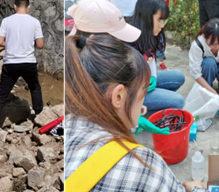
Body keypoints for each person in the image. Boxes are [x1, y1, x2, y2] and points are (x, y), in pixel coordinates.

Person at [64, 34, 206, 192]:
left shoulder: (66, 123)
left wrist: (128, 118)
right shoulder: (143, 166)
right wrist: (196, 188)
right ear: (118, 96)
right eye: (142, 92)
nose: (143, 104)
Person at [0, 0, 44, 138]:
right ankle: (41, 117)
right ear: (28, 7)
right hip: (28, 62)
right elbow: (40, 45)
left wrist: (11, 44)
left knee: (0, 96)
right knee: (35, 87)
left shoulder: (7, 21)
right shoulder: (34, 22)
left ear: (14, 6)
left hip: (11, 63)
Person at [129, 0, 185, 113]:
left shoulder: (151, 34)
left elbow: (151, 57)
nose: (162, 26)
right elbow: (126, 81)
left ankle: (157, 101)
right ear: (146, 17)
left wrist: (153, 75)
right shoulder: (129, 40)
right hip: (133, 91)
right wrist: (142, 83)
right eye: (160, 20)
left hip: (144, 81)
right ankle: (142, 108)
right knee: (179, 101)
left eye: (164, 21)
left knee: (178, 76)